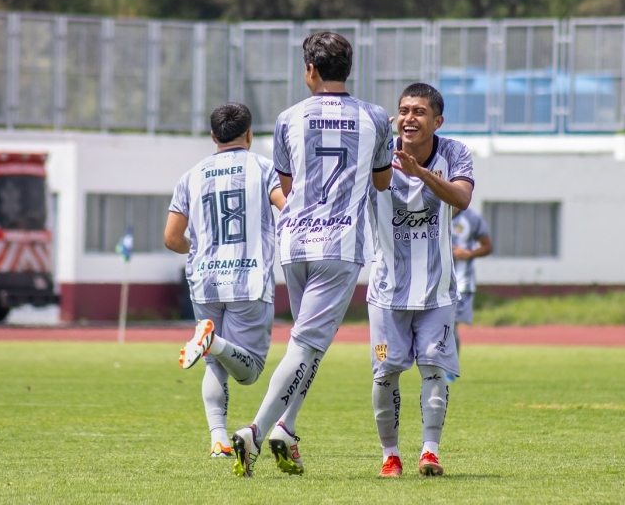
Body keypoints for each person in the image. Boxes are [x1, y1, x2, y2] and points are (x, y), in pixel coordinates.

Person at [231, 31, 393, 477]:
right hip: (340, 247)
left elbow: (286, 186)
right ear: (348, 70)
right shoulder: (376, 117)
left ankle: (287, 428)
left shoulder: (287, 119)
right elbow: (382, 182)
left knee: (307, 346)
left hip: (295, 243)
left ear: (310, 70)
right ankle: (256, 431)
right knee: (306, 345)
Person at [164, 102, 285, 458]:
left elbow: (172, 238)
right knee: (250, 372)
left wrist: (200, 248)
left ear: (213, 136)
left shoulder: (191, 176)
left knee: (214, 364)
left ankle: (218, 438)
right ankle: (212, 340)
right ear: (249, 134)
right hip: (249, 278)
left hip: (205, 279)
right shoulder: (264, 168)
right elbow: (288, 207)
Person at [367, 83, 474, 477]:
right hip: (386, 291)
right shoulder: (377, 152)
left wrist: (421, 174)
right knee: (385, 374)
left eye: (419, 111)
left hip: (437, 290)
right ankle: (390, 455)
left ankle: (430, 452)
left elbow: (461, 199)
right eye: (403, 111)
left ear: (437, 121)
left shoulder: (455, 153)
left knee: (433, 369)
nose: (409, 118)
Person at [450, 206, 492, 378]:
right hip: (433, 282)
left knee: (450, 327)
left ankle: (450, 370)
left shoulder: (471, 217)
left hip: (461, 283)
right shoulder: (432, 209)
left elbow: (488, 246)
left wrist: (468, 253)